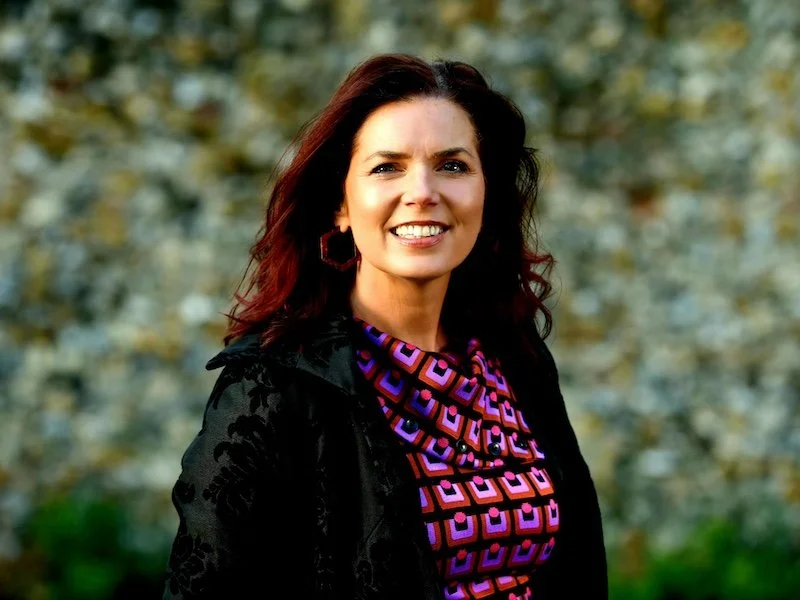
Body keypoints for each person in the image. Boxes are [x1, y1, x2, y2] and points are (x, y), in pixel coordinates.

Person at [162, 53, 607, 600]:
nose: (422, 191)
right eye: (386, 167)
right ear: (340, 206)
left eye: (453, 166)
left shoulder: (515, 358)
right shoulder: (273, 388)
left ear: (486, 196)